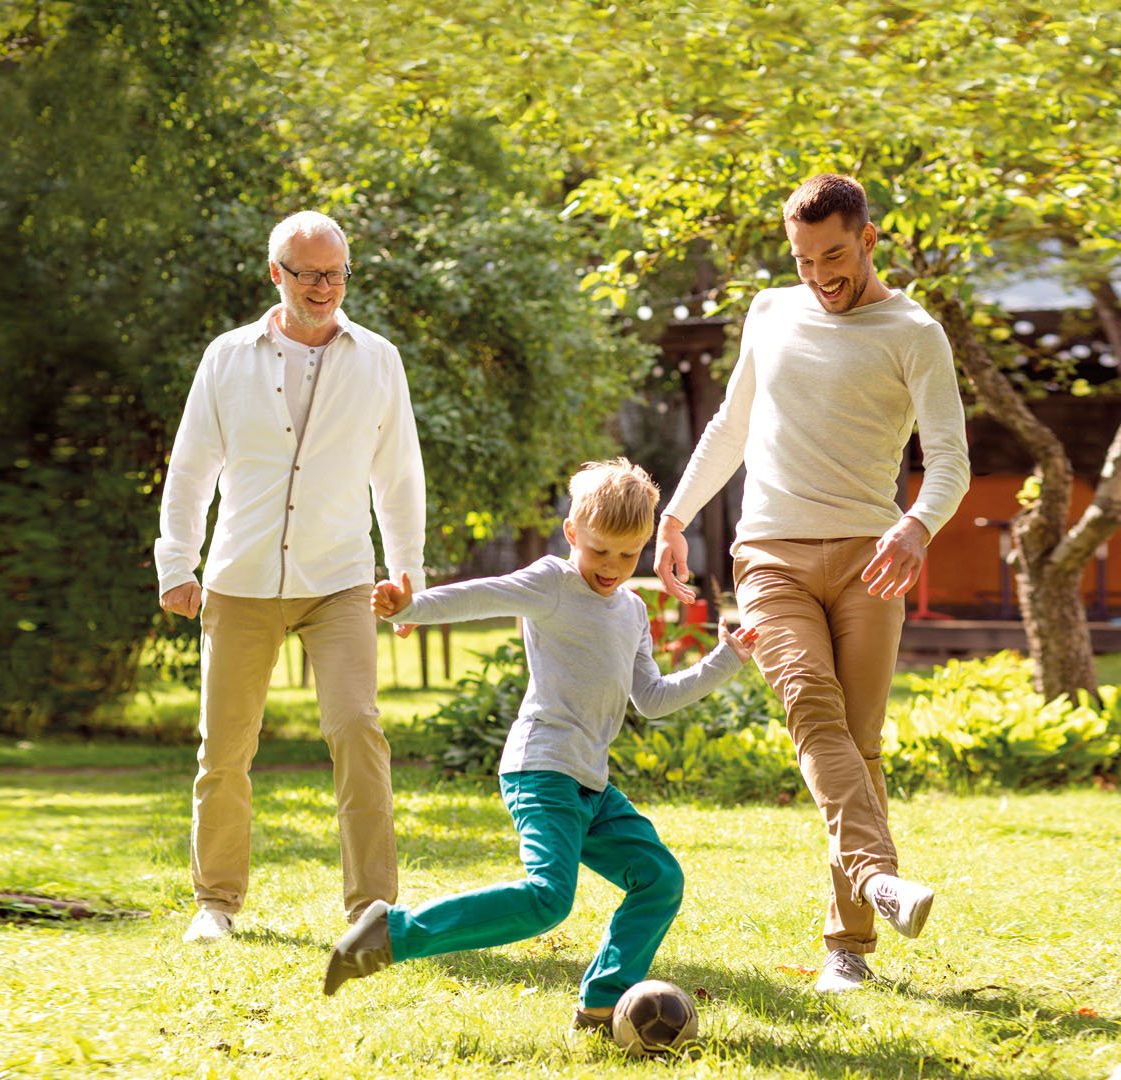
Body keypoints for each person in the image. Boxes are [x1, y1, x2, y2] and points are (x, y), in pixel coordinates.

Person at [654, 174, 971, 993]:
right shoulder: (771, 311)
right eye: (802, 259)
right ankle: (878, 881)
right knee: (812, 710)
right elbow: (732, 425)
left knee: (858, 748)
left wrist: (915, 525)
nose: (819, 274)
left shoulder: (914, 333)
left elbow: (951, 463)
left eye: (833, 255)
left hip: (871, 558)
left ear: (869, 240)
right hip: (770, 556)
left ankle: (849, 947)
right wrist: (677, 514)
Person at [323, 458, 758, 1031]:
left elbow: (651, 697)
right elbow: (485, 595)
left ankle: (604, 1000)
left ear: (646, 543)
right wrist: (410, 608)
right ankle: (391, 933)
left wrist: (726, 660)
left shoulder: (631, 609)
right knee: (548, 898)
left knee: (659, 879)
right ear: (573, 532)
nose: (612, 567)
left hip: (591, 785)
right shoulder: (553, 582)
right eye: (600, 551)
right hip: (543, 770)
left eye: (628, 555)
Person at [154, 210, 426, 943]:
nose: (324, 288)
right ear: (276, 273)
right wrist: (176, 563)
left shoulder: (378, 359)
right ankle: (215, 903)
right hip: (240, 580)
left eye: (336, 273)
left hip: (339, 577)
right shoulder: (227, 357)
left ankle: (372, 908)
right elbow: (190, 469)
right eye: (308, 275)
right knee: (225, 747)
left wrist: (408, 575)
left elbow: (398, 475)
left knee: (358, 730)